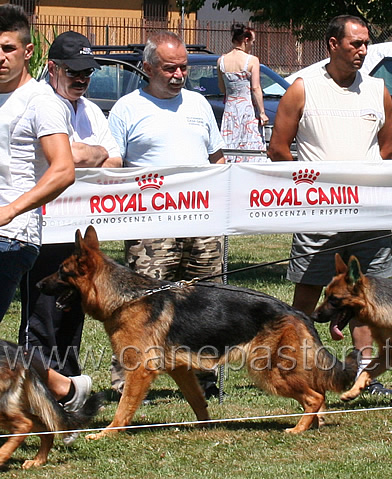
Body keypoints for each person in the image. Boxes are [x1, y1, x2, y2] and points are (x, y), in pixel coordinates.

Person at [267, 15, 392, 395]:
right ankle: (294, 365)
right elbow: (278, 148)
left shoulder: (378, 90)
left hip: (369, 212)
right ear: (332, 44)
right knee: (308, 291)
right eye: (355, 43)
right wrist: (312, 190)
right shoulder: (303, 89)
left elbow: (387, 149)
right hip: (319, 213)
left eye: (366, 43)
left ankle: (363, 376)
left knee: (367, 294)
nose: (363, 50)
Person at [108, 30, 225, 398]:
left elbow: (216, 159)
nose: (178, 75)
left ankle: (205, 381)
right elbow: (114, 165)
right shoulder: (127, 108)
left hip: (203, 222)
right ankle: (129, 379)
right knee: (142, 305)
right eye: (169, 69)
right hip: (151, 226)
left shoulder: (199, 105)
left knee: (206, 302)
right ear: (147, 68)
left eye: (183, 68)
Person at [19, 31, 121, 411]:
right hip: (39, 229)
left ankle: (67, 390)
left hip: (77, 231)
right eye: (74, 71)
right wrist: (86, 153)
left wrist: (86, 152)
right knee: (40, 317)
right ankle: (37, 395)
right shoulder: (40, 103)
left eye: (87, 72)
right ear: (52, 68)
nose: (81, 79)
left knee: (71, 314)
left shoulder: (91, 110)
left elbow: (114, 160)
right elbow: (66, 157)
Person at [0, 5, 89, 413]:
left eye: (7, 48)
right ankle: (64, 390)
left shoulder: (41, 102)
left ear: (28, 51)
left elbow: (63, 170)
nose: (0, 57)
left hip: (13, 237)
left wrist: (10, 210)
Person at [217, 23, 269, 163]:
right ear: (246, 40)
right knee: (250, 149)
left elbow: (222, 89)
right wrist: (262, 112)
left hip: (230, 112)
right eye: (252, 41)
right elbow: (256, 88)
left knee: (230, 147)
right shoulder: (252, 60)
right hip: (247, 111)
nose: (252, 45)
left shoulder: (221, 61)